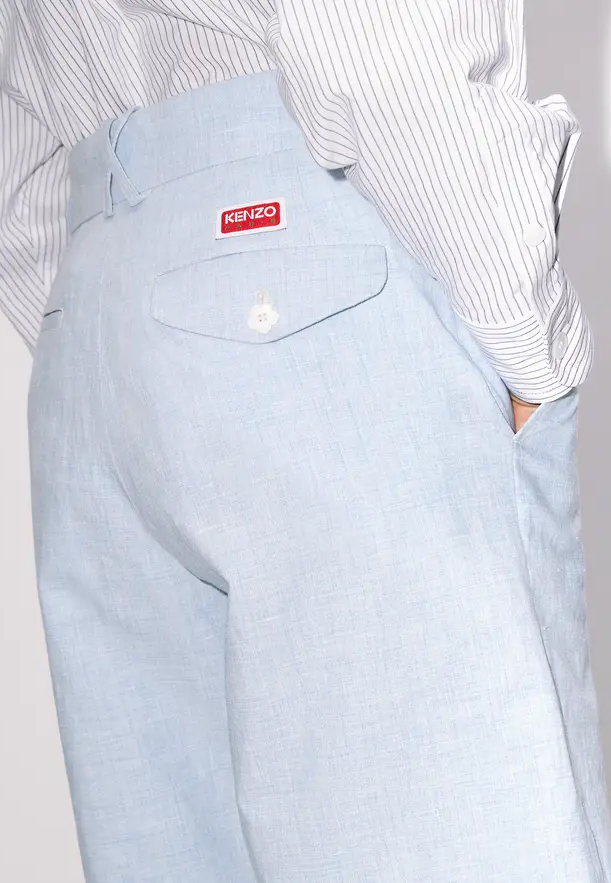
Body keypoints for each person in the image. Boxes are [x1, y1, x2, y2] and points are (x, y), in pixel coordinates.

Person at [1, 3, 609, 882]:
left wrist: (123, 310)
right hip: (319, 266)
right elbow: (376, 49)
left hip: (96, 317)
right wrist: (530, 347)